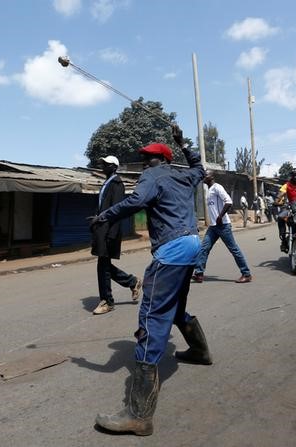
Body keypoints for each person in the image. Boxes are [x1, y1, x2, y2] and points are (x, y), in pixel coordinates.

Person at [89, 124, 211, 436]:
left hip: (170, 251)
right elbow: (199, 166)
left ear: (154, 161)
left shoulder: (152, 176)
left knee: (152, 317)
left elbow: (136, 201)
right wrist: (184, 143)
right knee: (176, 304)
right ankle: (199, 351)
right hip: (192, 245)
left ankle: (139, 415)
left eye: (146, 159)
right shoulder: (185, 174)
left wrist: (105, 216)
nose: (144, 163)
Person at [90, 155, 142, 315]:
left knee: (103, 266)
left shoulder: (117, 184)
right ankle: (132, 282)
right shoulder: (107, 183)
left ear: (114, 167)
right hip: (102, 228)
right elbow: (103, 208)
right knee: (103, 265)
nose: (103, 166)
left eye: (106, 164)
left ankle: (107, 301)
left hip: (109, 230)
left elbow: (117, 210)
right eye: (103, 163)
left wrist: (111, 233)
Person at [192, 170, 252, 284]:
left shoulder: (217, 187)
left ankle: (246, 274)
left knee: (234, 249)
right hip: (213, 226)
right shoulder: (209, 190)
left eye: (206, 175)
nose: (204, 177)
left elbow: (228, 201)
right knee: (204, 248)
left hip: (223, 225)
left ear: (211, 176)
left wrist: (220, 216)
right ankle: (199, 273)